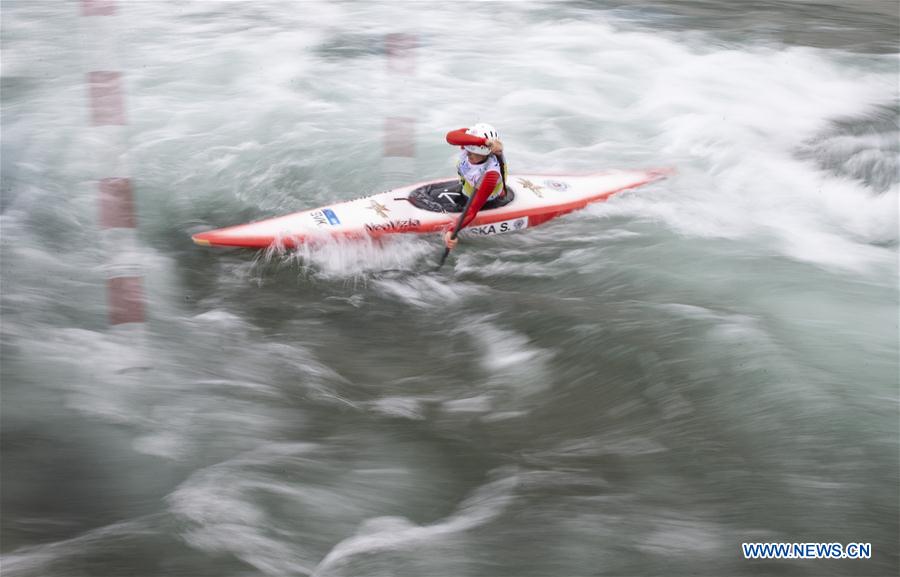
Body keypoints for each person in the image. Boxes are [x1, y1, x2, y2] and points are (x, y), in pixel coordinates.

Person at [442, 123, 507, 250]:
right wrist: (485, 141)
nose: (467, 154)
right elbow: (450, 137)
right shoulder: (472, 147)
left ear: (484, 153)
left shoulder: (490, 174)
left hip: (485, 201)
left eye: (472, 152)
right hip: (465, 190)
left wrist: (452, 230)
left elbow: (472, 210)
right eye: (468, 150)